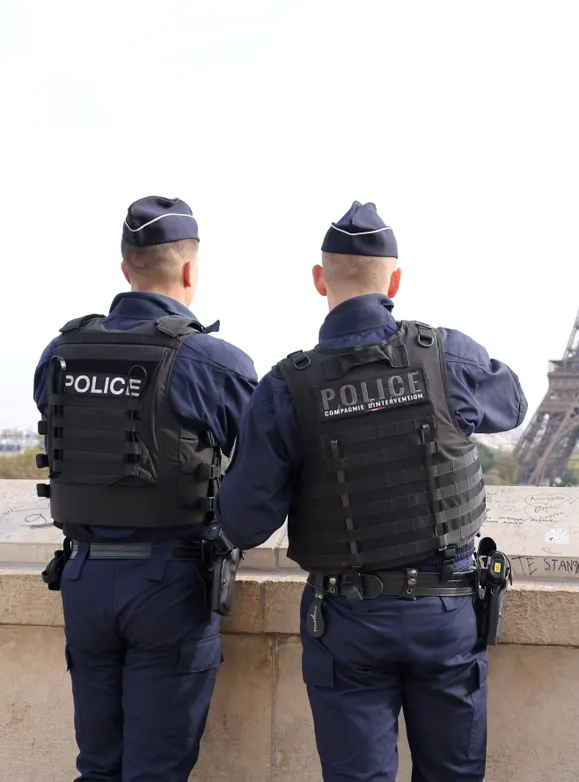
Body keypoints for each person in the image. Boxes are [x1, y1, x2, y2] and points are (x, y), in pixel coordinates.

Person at [215, 200, 528, 781]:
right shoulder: (445, 356)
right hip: (447, 608)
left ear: (318, 281)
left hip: (348, 619)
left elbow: (243, 521)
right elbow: (511, 403)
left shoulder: (288, 387)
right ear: (397, 281)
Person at [32, 195, 258, 781]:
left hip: (82, 579)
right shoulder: (211, 361)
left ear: (125, 266)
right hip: (169, 585)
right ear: (190, 270)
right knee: (156, 770)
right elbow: (262, 466)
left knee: (98, 766)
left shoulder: (61, 352)